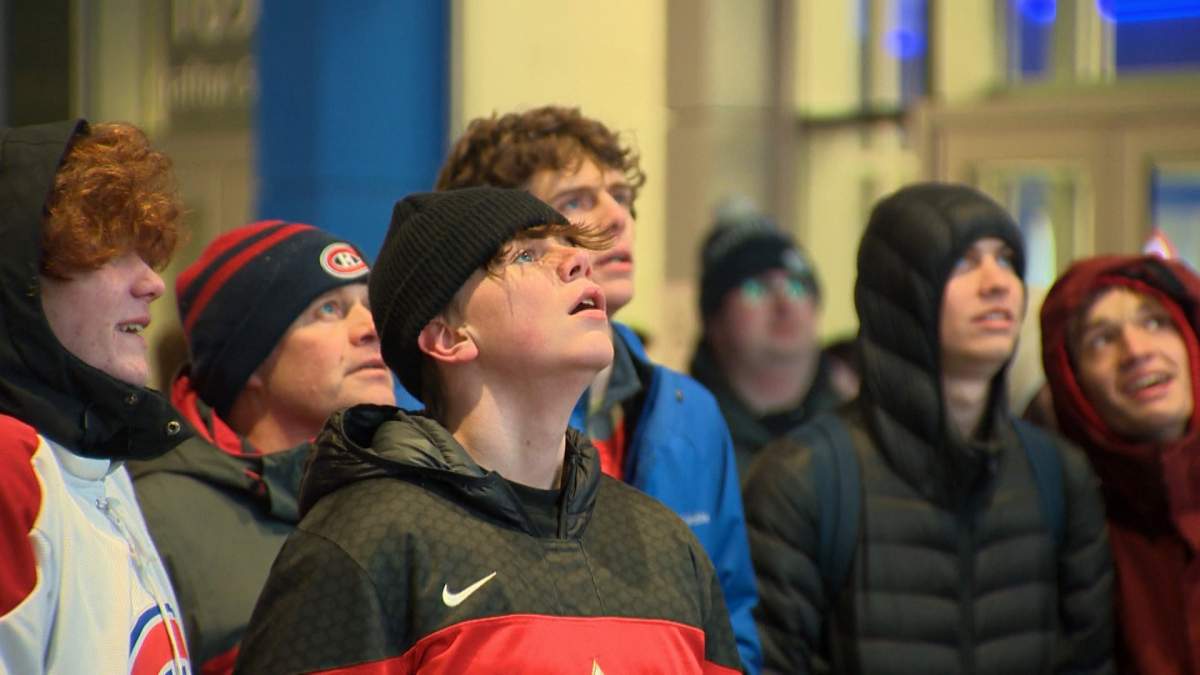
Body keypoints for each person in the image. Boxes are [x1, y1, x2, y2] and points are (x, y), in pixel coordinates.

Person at [234, 186, 743, 674]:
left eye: (570, 247)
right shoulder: (362, 546)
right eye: (523, 257)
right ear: (448, 336)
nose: (578, 262)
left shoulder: (666, 544)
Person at [435, 105, 761, 672]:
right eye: (577, 202)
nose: (617, 218)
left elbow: (730, 625)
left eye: (622, 195)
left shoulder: (691, 413)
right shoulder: (444, 408)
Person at [743, 183, 1114, 674]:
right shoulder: (804, 479)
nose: (997, 283)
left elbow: (1088, 663)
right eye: (963, 262)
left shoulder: (1058, 475)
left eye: (1006, 260)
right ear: (900, 292)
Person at [130, 221, 396, 673]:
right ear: (248, 360)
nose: (370, 328)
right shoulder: (151, 515)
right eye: (330, 309)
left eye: (369, 307)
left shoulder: (406, 491)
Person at [0, 120, 191, 672]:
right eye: (111, 254)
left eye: (147, 254)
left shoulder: (97, 464)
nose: (152, 282)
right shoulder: (13, 465)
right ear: (21, 285)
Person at [1041, 254, 1200, 673]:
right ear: (1074, 383)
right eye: (1101, 339)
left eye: (1154, 322)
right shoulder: (1058, 523)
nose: (1136, 351)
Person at [689, 213, 844, 478]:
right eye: (756, 289)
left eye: (797, 287)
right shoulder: (680, 437)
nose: (784, 305)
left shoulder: (854, 433)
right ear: (714, 321)